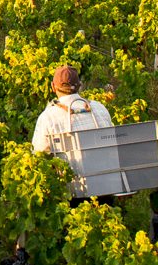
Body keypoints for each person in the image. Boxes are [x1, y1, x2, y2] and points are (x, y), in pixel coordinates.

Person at [32, 65, 114, 206]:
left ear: (53, 87)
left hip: (74, 193)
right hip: (105, 188)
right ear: (80, 86)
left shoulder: (48, 117)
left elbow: (39, 154)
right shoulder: (99, 108)